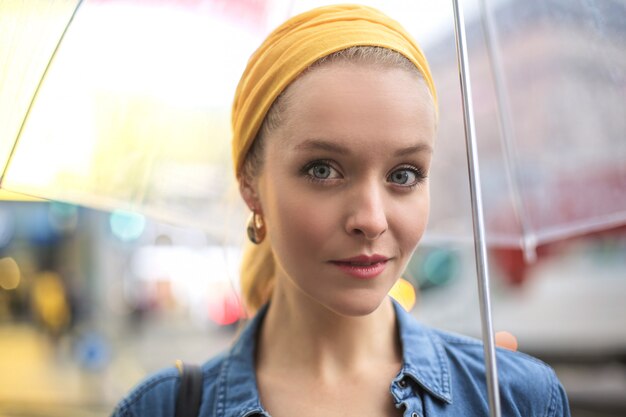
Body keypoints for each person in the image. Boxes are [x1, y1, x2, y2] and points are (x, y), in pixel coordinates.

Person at [112, 4, 570, 416]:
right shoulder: (163, 408)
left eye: (405, 174)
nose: (371, 219)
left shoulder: (515, 399)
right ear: (251, 184)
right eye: (323, 170)